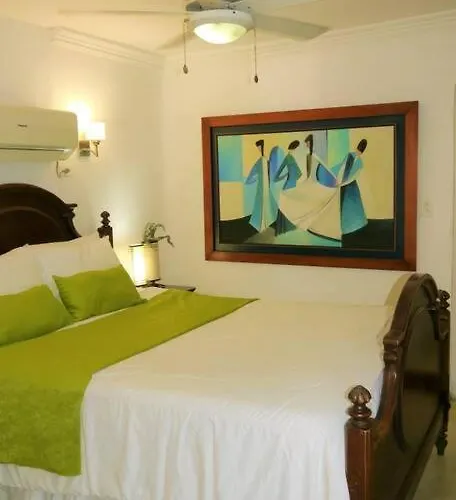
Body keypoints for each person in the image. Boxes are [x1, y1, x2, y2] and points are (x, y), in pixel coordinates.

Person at [245, 139, 277, 232]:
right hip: (265, 184)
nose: (258, 149)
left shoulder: (261, 160)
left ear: (261, 147)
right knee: (264, 201)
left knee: (262, 201)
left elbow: (254, 172)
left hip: (262, 185)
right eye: (257, 147)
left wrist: (249, 180)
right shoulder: (266, 160)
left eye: (259, 147)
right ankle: (266, 222)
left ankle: (262, 224)